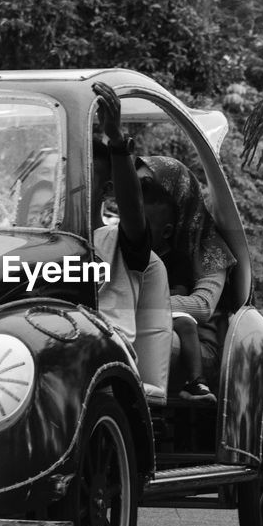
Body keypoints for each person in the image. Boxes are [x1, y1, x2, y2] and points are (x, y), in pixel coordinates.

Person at [90, 83, 172, 402]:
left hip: (108, 352)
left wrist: (117, 141)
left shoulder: (119, 241)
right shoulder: (35, 249)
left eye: (84, 177)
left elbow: (133, 214)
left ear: (107, 188)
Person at [138, 156, 236, 403]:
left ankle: (196, 384)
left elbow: (203, 306)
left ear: (175, 198)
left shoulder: (208, 245)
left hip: (196, 343)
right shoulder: (136, 240)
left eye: (145, 188)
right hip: (150, 325)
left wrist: (140, 306)